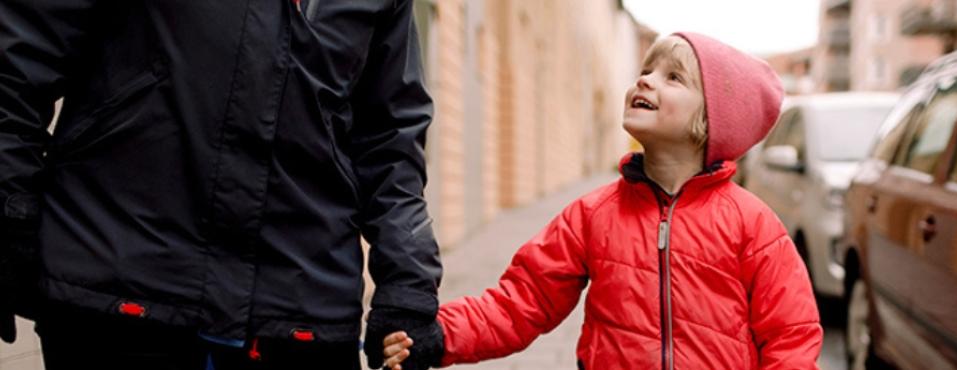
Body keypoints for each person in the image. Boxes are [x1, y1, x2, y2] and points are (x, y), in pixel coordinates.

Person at [0, 0, 437, 369]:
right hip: (121, 292)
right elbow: (15, 66)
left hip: (300, 314)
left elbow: (391, 143)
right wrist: (9, 216)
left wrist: (408, 287)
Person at [381, 32, 824, 369]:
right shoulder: (592, 216)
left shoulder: (753, 225)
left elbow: (792, 335)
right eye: (646, 71)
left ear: (710, 122)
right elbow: (522, 301)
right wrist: (441, 334)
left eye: (673, 77)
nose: (645, 80)